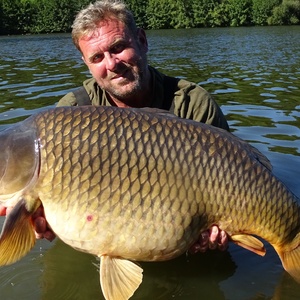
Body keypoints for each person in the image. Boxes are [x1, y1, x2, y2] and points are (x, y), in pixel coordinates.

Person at [0, 0, 228, 252]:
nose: (111, 64)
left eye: (118, 47)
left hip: (187, 243)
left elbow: (232, 179)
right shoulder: (72, 112)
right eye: (97, 57)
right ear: (86, 63)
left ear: (142, 40)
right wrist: (43, 222)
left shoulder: (192, 104)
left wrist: (214, 235)